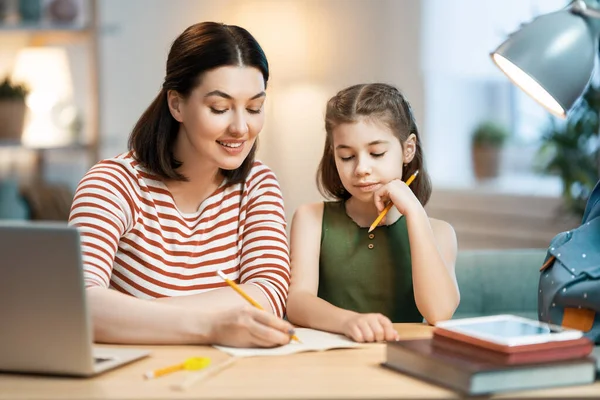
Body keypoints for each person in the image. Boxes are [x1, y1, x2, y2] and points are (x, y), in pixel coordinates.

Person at [68, 22, 294, 347]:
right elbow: (80, 304)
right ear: (177, 104)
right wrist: (212, 326)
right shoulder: (112, 184)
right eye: (220, 108)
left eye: (255, 108)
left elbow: (268, 295)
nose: (241, 127)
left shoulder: (257, 184)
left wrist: (132, 316)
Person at [286, 83, 460, 343]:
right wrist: (348, 322)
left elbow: (439, 313)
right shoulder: (311, 218)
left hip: (403, 359)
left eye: (376, 153)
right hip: (330, 360)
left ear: (407, 149)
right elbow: (297, 302)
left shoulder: (439, 231)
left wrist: (413, 212)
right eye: (346, 156)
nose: (361, 169)